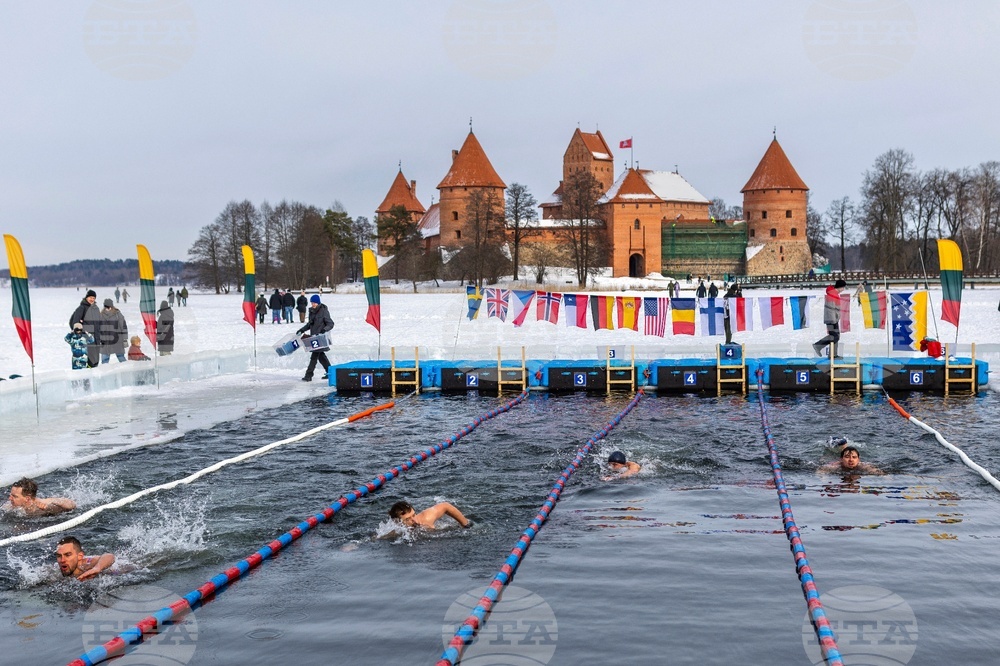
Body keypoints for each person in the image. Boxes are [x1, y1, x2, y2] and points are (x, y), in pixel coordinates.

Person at [297, 295, 334, 381]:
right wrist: (302, 330)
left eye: (314, 303)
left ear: (318, 302)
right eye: (312, 303)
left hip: (321, 338)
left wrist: (324, 330)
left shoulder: (324, 311)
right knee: (321, 357)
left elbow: (330, 324)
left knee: (314, 357)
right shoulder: (312, 311)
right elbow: (310, 324)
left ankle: (308, 376)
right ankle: (331, 373)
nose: (313, 304)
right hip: (314, 338)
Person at [4, 477, 76, 516]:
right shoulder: (9, 506)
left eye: (14, 496)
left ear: (27, 498)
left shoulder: (41, 506)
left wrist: (49, 508)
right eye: (10, 495)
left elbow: (72, 504)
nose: (10, 498)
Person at [813, 279, 847, 359]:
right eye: (843, 287)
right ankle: (818, 345)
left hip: (834, 318)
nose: (843, 289)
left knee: (836, 336)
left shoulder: (833, 293)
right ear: (840, 287)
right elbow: (831, 309)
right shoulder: (832, 294)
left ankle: (833, 355)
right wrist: (834, 320)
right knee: (834, 336)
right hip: (832, 319)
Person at [69, 289, 101, 367]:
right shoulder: (82, 308)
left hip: (96, 339)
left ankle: (92, 376)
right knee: (88, 360)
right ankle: (87, 376)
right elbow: (74, 322)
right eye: (90, 297)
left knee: (95, 361)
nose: (92, 299)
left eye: (93, 298)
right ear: (86, 297)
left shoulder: (96, 309)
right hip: (87, 339)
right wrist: (81, 333)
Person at [388, 500, 471, 529]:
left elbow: (445, 506)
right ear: (397, 522)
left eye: (413, 515)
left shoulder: (426, 518)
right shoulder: (395, 532)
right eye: (407, 519)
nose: (414, 520)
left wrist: (465, 525)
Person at [98, 298, 128, 363]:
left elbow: (123, 326)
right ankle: (104, 372)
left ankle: (126, 370)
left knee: (121, 358)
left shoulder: (117, 314)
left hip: (117, 340)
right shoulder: (100, 315)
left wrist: (125, 338)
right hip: (105, 341)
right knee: (104, 360)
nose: (107, 308)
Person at [819, 446, 884, 476]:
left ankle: (843, 447)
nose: (851, 460)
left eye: (854, 457)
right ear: (841, 459)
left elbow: (876, 471)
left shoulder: (863, 466)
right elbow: (821, 470)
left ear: (858, 459)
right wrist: (823, 477)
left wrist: (886, 476)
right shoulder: (836, 466)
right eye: (847, 457)